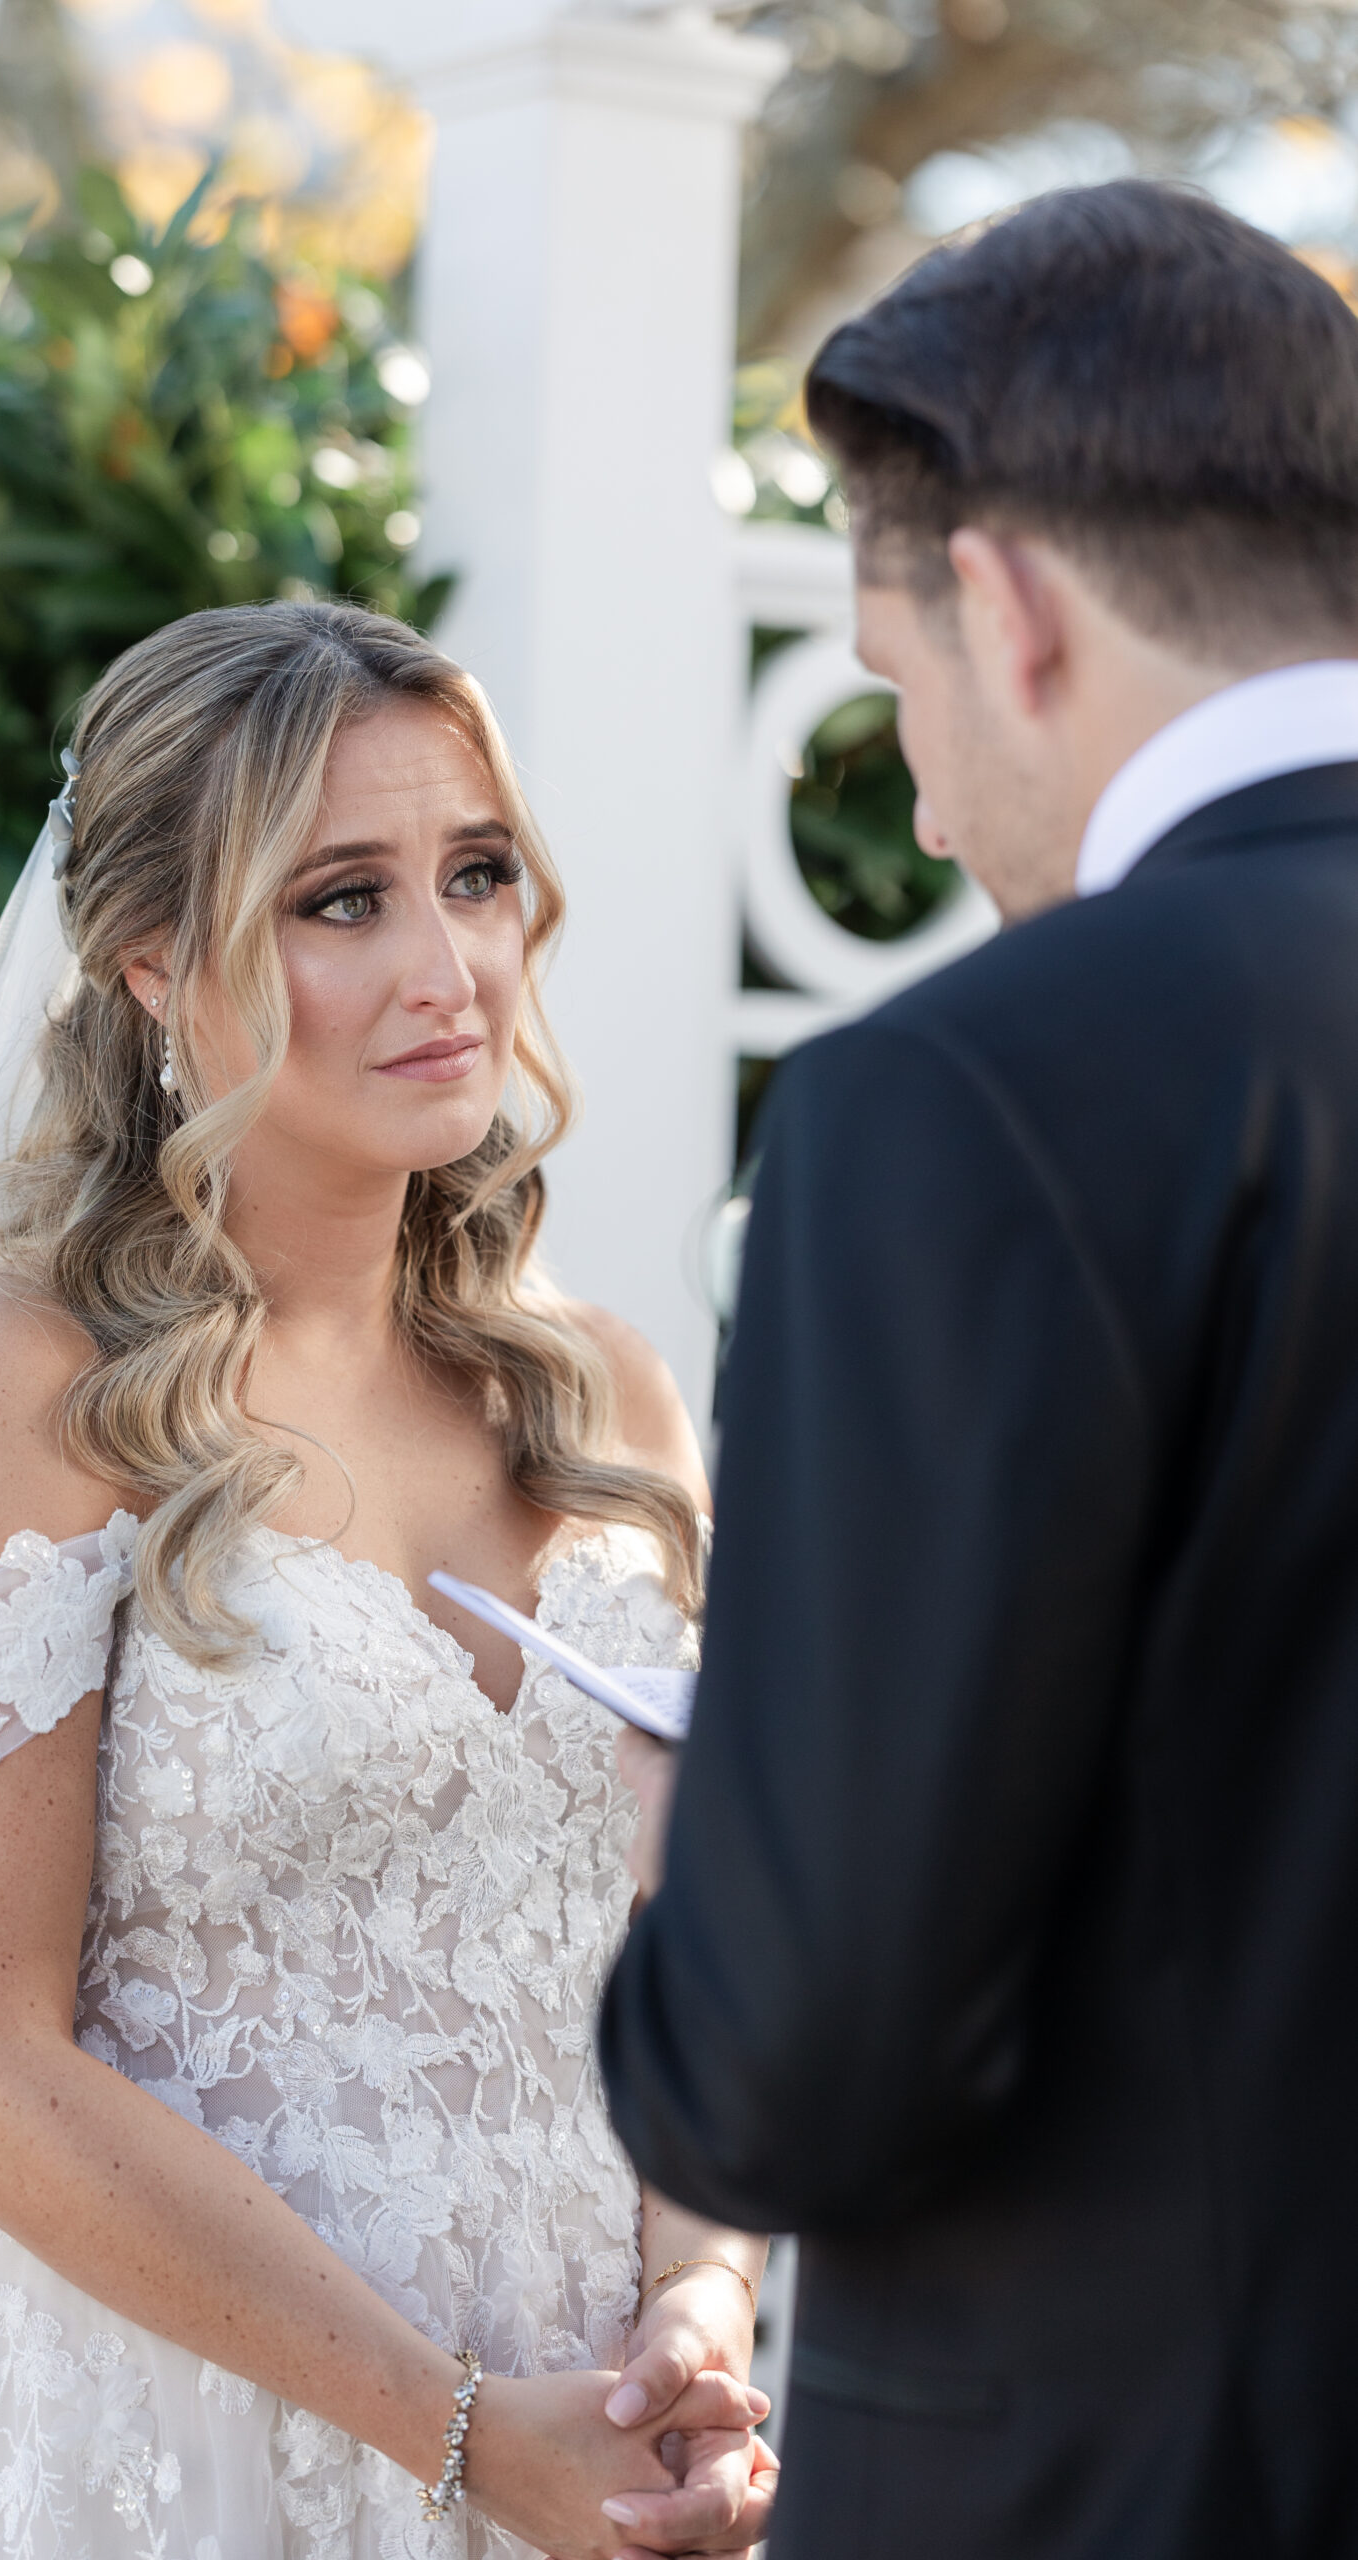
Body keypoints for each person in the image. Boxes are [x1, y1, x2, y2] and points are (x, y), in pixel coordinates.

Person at [0, 601, 779, 2559]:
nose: (450, 968)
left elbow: (706, 1958)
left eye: (478, 873)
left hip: (581, 2427)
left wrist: (697, 2301)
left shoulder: (602, 1394)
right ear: (152, 959)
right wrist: (449, 2431)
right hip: (142, 2441)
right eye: (342, 899)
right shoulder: (15, 1392)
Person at [599, 179, 1358, 2560]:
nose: (922, 802)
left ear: (1006, 610)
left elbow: (790, 2074)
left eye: (892, 684)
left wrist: (691, 1862)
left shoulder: (968, 1095)